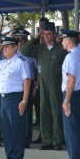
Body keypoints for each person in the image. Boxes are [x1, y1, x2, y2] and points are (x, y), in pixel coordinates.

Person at [0, 37, 31, 159]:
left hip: (15, 98)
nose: (4, 49)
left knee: (17, 130)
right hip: (4, 99)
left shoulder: (21, 62)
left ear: (15, 48)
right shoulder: (3, 62)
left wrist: (24, 101)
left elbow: (27, 81)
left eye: (7, 47)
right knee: (7, 131)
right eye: (3, 47)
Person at [22, 22, 67, 150]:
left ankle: (57, 140)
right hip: (43, 85)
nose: (46, 36)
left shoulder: (60, 48)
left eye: (49, 34)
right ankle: (47, 141)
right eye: (44, 34)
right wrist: (35, 37)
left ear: (54, 34)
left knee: (56, 111)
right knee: (44, 112)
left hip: (57, 84)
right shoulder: (39, 48)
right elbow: (25, 51)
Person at [59, 29, 80, 159]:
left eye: (63, 39)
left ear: (69, 40)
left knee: (72, 133)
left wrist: (66, 100)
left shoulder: (71, 57)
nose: (62, 42)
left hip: (72, 95)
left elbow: (71, 80)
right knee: (78, 132)